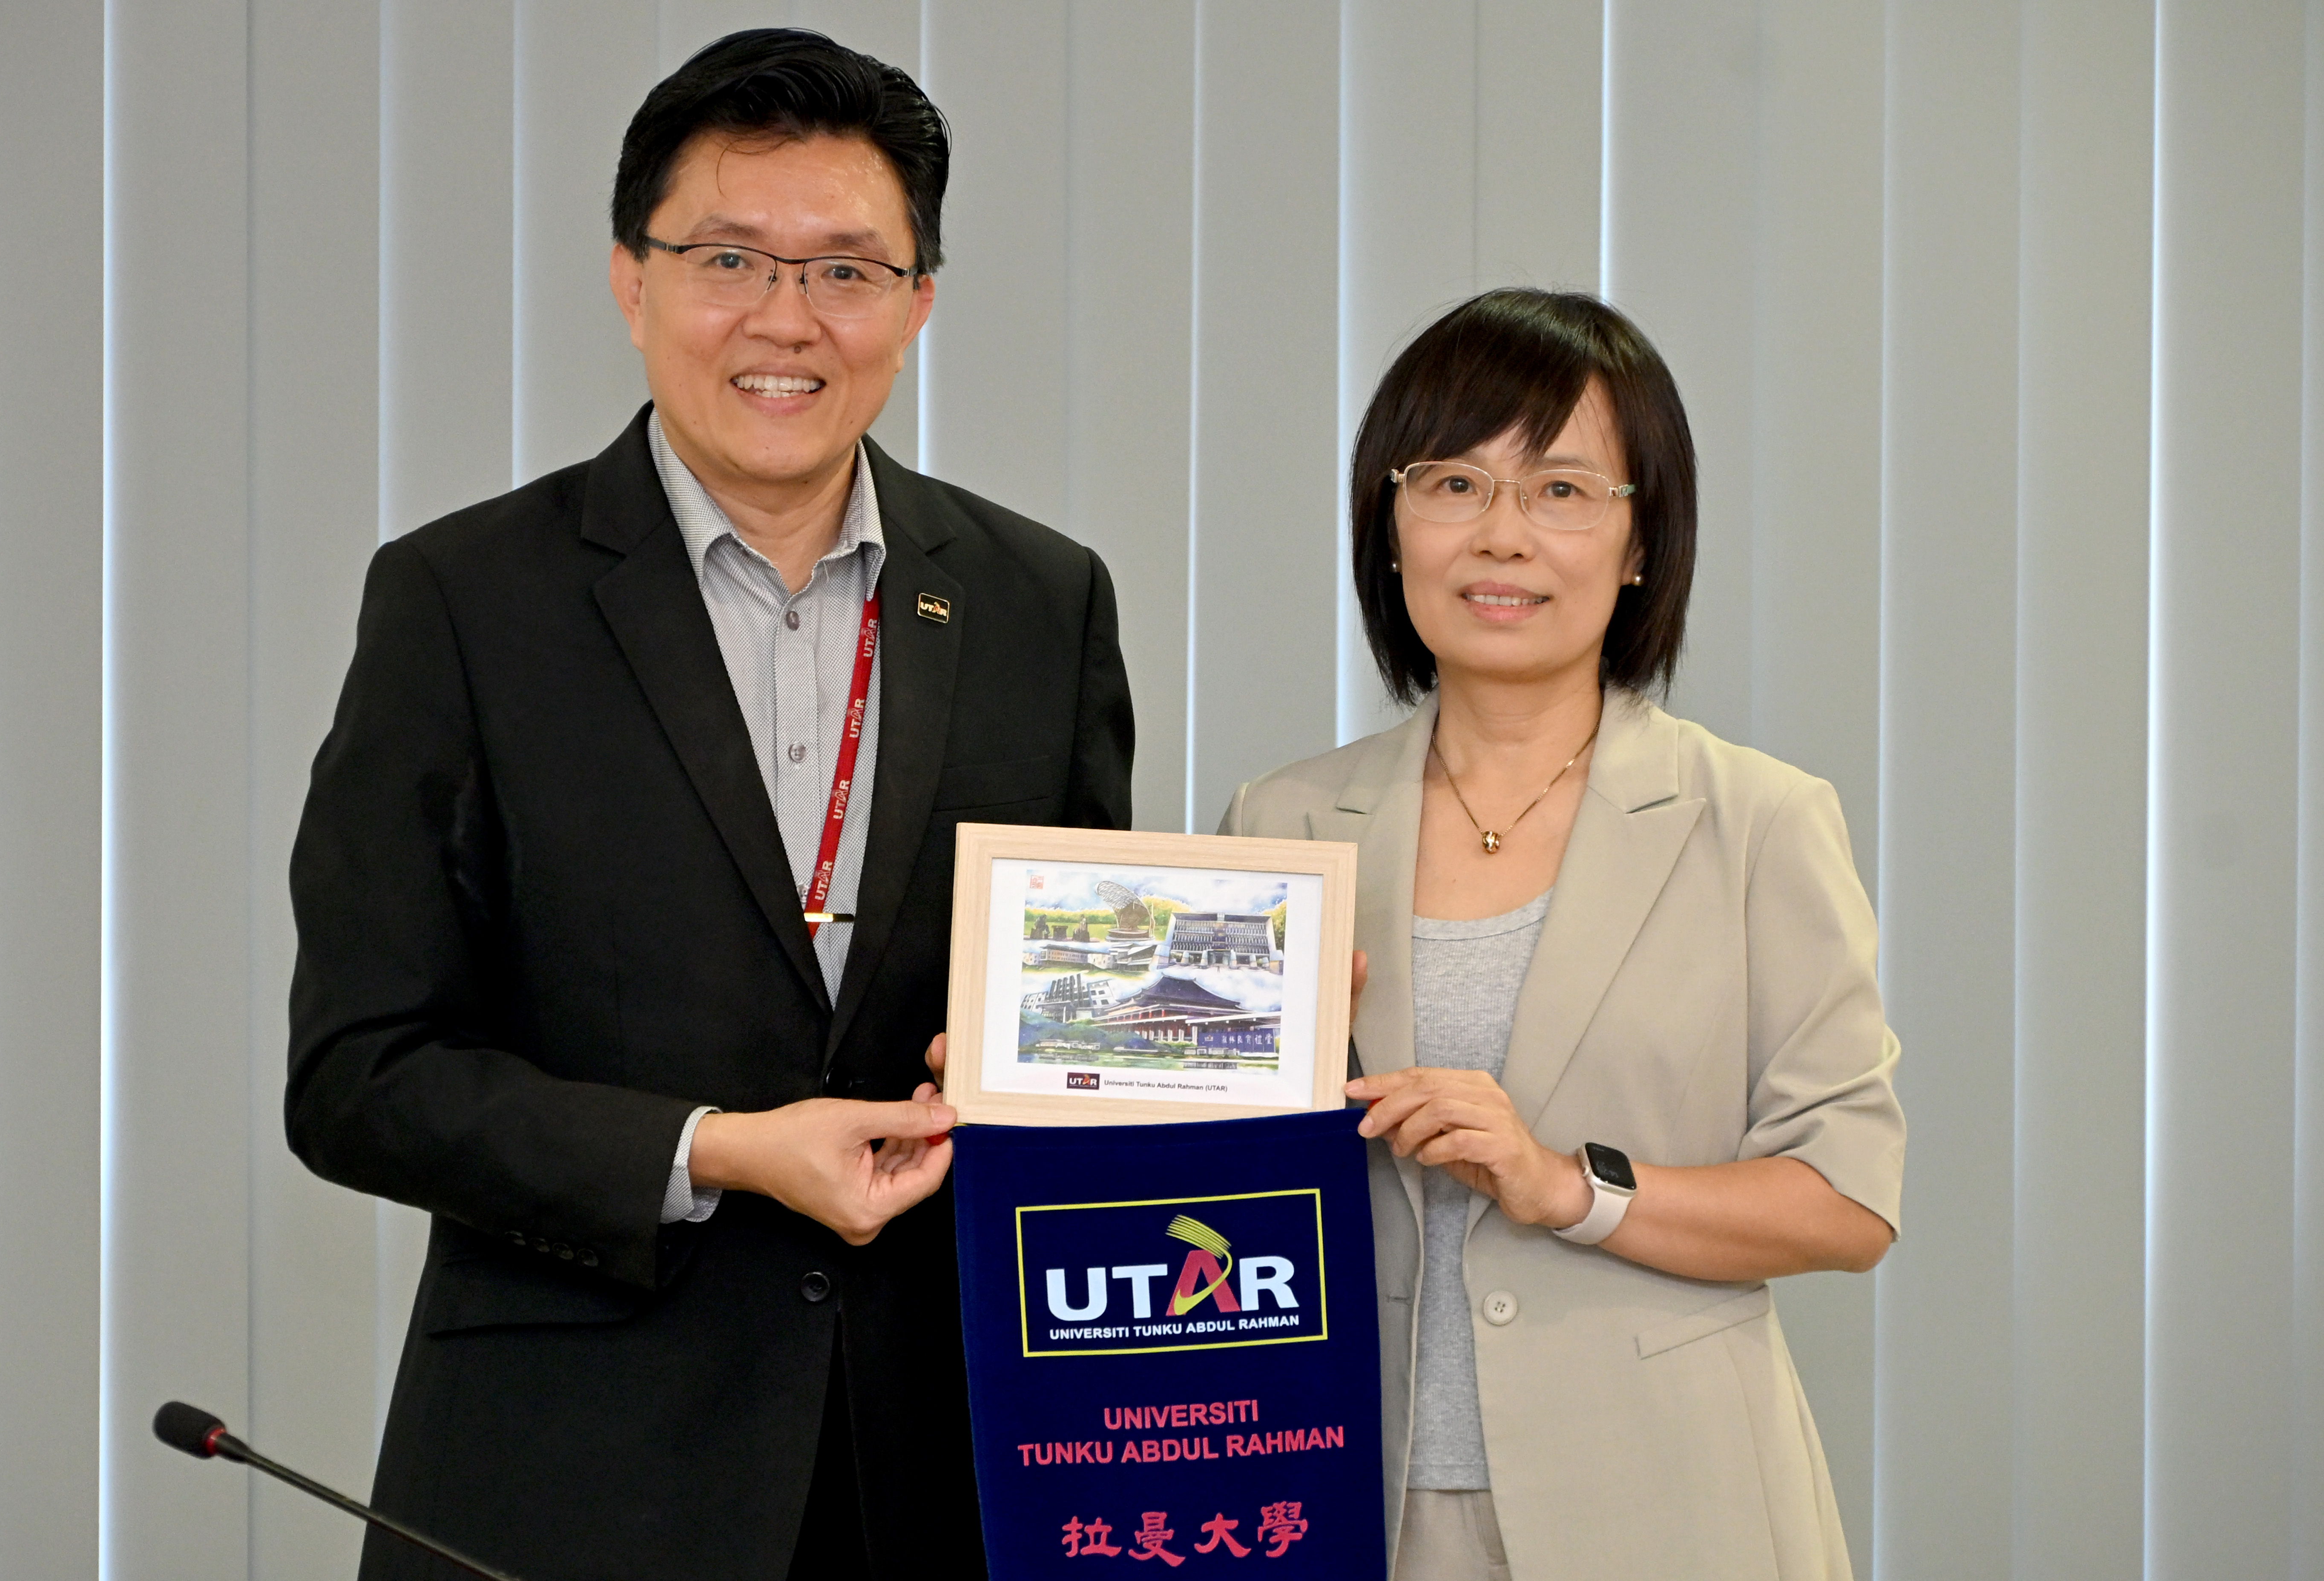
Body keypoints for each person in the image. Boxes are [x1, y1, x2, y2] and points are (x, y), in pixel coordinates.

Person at [284, 29, 1132, 1581]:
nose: (786, 320)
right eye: (731, 257)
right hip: (578, 1471)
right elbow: (358, 1073)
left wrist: (1230, 1044)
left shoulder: (1038, 601)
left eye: (848, 271)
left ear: (920, 302)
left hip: (939, 1467)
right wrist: (715, 1149)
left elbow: (1073, 1012)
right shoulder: (465, 602)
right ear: (633, 280)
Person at [1218, 289, 1902, 1581]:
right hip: (1346, 1499)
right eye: (1455, 483)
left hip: (1665, 1502)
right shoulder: (1285, 817)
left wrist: (1568, 1189)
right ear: (1392, 522)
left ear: (1642, 542)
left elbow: (1848, 1197)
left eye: (1565, 491)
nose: (1503, 537)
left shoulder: (1755, 820)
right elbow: (1212, 1172)